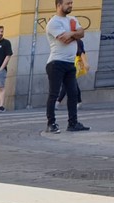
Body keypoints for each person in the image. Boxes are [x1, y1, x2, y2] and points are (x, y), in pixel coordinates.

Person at [45, 0, 89, 133]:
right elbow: (65, 40)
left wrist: (71, 34)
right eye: (68, 3)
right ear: (59, 5)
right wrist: (74, 34)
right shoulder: (53, 23)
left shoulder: (72, 19)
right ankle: (50, 124)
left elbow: (82, 33)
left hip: (70, 63)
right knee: (54, 94)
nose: (71, 5)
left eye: (71, 3)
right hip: (56, 63)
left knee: (73, 94)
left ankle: (73, 123)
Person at [57, 38, 87, 108]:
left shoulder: (78, 42)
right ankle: (79, 101)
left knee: (66, 83)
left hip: (73, 65)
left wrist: (85, 63)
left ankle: (58, 102)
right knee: (73, 83)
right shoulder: (68, 41)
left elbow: (81, 52)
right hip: (67, 63)